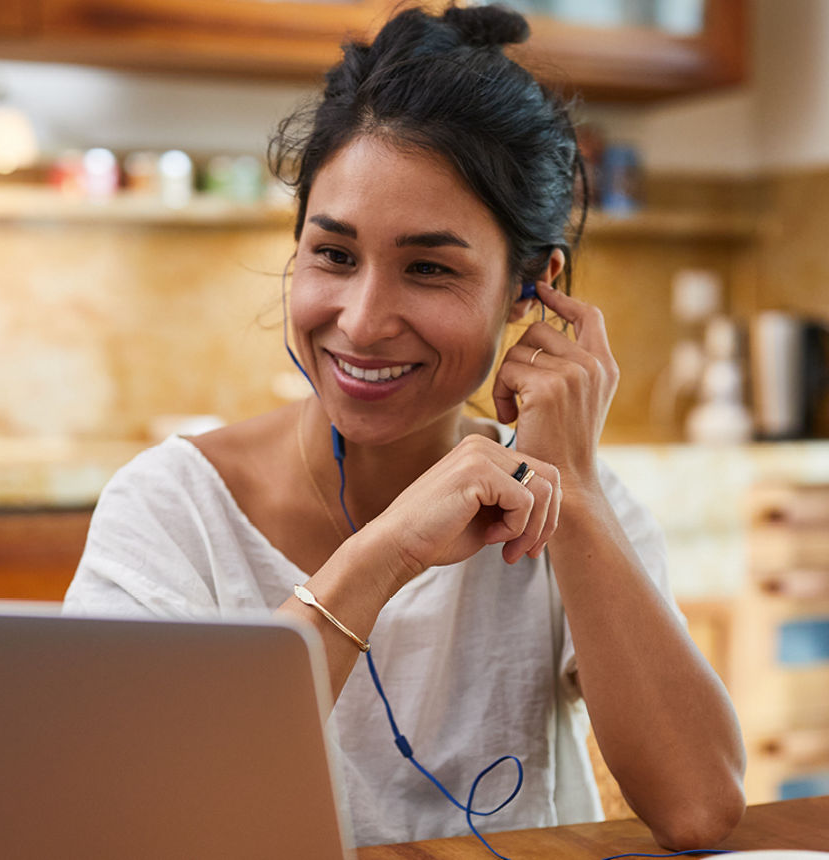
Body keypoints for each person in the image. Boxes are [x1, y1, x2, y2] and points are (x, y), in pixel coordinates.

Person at [63, 2, 745, 851]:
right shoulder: (170, 510)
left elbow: (701, 810)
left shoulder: (568, 501)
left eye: (428, 268)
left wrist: (576, 489)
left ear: (531, 292)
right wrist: (386, 552)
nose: (363, 318)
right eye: (334, 254)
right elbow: (131, 818)